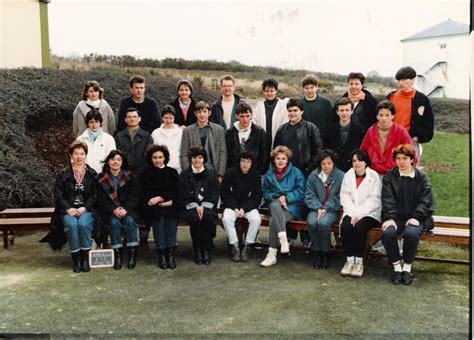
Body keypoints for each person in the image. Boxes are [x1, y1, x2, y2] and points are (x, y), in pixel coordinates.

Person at [381, 144, 434, 285]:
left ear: (412, 159)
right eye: (398, 158)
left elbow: (427, 201)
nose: (401, 162)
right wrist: (390, 218)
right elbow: (387, 199)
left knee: (411, 234)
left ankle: (407, 268)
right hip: (396, 217)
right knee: (388, 233)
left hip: (417, 217)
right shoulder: (389, 176)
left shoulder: (421, 177)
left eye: (405, 158)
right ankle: (397, 267)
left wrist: (416, 217)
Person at [273, 97, 322, 248]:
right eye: (290, 111)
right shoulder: (282, 129)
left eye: (295, 110)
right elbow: (276, 151)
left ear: (301, 111)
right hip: (287, 174)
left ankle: (307, 238)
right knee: (288, 202)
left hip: (307, 173)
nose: (292, 113)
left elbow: (318, 149)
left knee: (305, 205)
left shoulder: (311, 128)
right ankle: (290, 236)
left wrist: (309, 169)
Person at [48, 141, 98, 272]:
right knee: (71, 225)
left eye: (82, 154)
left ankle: (85, 258)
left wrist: (85, 207)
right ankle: (76, 259)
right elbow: (58, 195)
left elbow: (95, 195)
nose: (79, 156)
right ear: (71, 155)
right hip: (67, 211)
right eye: (76, 153)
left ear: (86, 155)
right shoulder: (63, 174)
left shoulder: (92, 174)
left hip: (86, 210)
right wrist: (68, 208)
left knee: (83, 224)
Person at [260, 146, 306, 267]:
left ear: (287, 160)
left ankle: (272, 254)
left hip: (292, 207)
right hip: (275, 206)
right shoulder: (269, 174)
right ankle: (283, 239)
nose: (280, 161)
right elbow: (265, 193)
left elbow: (301, 191)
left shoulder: (296, 172)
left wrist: (287, 198)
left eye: (283, 158)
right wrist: (277, 197)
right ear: (274, 160)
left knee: (273, 221)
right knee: (275, 205)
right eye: (278, 158)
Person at [339, 150, 381, 277]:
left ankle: (359, 262)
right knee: (346, 226)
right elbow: (345, 197)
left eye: (360, 160)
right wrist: (352, 213)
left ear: (366, 162)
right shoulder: (348, 175)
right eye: (354, 161)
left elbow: (374, 200)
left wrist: (358, 213)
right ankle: (349, 260)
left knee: (359, 228)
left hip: (370, 213)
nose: (357, 163)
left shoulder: (373, 176)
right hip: (350, 211)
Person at [96, 150, 139, 270]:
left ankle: (132, 254)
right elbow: (100, 200)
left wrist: (126, 209)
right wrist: (114, 210)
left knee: (130, 221)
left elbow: (135, 196)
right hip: (110, 212)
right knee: (114, 223)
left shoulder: (130, 176)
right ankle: (118, 255)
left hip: (127, 210)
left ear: (122, 162)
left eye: (118, 159)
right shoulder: (100, 178)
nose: (115, 162)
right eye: (113, 159)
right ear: (108, 161)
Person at [140, 145, 180, 269]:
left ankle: (171, 253)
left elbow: (176, 191)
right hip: (153, 207)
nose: (157, 160)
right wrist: (158, 200)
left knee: (171, 217)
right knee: (158, 219)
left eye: (160, 157)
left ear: (165, 158)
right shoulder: (146, 173)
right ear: (151, 159)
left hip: (170, 205)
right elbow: (146, 193)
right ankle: (162, 254)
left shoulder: (172, 172)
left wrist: (162, 198)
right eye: (155, 157)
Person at [179, 146, 219, 265]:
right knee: (195, 219)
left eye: (200, 157)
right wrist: (196, 206)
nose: (197, 160)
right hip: (190, 207)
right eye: (194, 157)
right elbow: (183, 195)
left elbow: (214, 194)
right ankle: (197, 250)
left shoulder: (211, 174)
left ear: (204, 159)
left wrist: (204, 206)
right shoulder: (184, 175)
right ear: (190, 159)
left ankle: (206, 250)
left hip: (207, 206)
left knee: (207, 217)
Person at [305, 149, 344, 269]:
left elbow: (340, 196)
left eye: (329, 163)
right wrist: (318, 208)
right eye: (323, 163)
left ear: (334, 163)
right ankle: (317, 252)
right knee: (311, 222)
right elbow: (309, 195)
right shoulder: (313, 175)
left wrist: (326, 208)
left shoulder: (341, 176)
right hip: (316, 209)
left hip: (333, 210)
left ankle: (326, 253)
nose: (326, 166)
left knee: (323, 223)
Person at [220, 151, 262, 262]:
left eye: (248, 161)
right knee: (226, 218)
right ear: (239, 161)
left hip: (248, 207)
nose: (245, 164)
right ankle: (234, 245)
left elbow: (256, 196)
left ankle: (248, 245)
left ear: (252, 163)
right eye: (243, 161)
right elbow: (225, 193)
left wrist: (244, 208)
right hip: (232, 206)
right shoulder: (230, 173)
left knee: (256, 219)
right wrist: (235, 207)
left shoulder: (255, 175)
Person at [387, 66, 434, 158]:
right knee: (390, 169)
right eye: (399, 80)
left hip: (410, 141)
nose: (401, 83)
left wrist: (419, 137)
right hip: (391, 140)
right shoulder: (390, 97)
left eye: (404, 80)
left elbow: (428, 121)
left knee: (410, 170)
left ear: (413, 80)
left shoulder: (422, 100)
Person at [360, 100, 416, 176]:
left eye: (387, 115)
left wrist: (406, 174)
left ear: (392, 116)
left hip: (394, 173)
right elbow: (362, 152)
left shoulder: (401, 131)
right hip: (374, 172)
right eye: (381, 115)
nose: (384, 118)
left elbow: (412, 154)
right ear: (377, 116)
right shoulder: (371, 131)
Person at [180, 101, 227, 182]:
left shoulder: (218, 130)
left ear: (209, 113)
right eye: (199, 112)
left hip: (213, 171)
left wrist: (220, 174)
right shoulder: (187, 131)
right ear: (195, 113)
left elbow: (222, 153)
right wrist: (188, 173)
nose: (202, 114)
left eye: (204, 111)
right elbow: (184, 153)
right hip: (193, 172)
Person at [252, 79, 289, 165]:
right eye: (267, 91)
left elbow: (285, 124)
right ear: (264, 92)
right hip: (263, 142)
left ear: (276, 91)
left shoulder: (283, 105)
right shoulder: (259, 106)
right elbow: (254, 124)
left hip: (278, 142)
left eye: (272, 91)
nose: (269, 93)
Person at [324, 97, 366, 172]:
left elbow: (361, 151)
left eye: (347, 110)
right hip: (334, 168)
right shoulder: (329, 129)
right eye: (341, 110)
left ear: (352, 111)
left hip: (353, 168)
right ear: (337, 112)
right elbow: (326, 149)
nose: (344, 113)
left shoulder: (360, 129)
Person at [225, 102, 268, 174]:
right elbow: (228, 154)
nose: (245, 119)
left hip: (254, 172)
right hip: (235, 172)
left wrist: (259, 172)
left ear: (251, 115)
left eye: (247, 116)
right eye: (242, 116)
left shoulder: (259, 132)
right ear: (236, 116)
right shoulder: (230, 132)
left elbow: (264, 154)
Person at [114, 107, 153, 172]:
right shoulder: (118, 137)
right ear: (125, 119)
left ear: (139, 119)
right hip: (123, 173)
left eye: (134, 116)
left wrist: (139, 172)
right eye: (129, 117)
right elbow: (117, 156)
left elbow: (148, 157)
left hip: (142, 173)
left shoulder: (147, 137)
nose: (132, 119)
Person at [77, 110, 116, 174]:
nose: (94, 124)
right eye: (91, 122)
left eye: (96, 121)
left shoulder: (109, 139)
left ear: (100, 123)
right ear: (87, 123)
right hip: (84, 175)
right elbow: (75, 158)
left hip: (103, 175)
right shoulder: (80, 139)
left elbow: (113, 158)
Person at [151, 105, 184, 173]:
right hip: (160, 168)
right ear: (162, 118)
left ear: (174, 118)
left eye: (171, 118)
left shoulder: (180, 133)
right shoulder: (155, 133)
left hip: (177, 168)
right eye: (165, 118)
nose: (168, 121)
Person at [300, 74, 333, 138]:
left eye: (312, 87)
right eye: (306, 88)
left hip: (322, 139)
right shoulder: (299, 103)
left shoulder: (326, 103)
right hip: (305, 139)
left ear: (317, 87)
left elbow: (331, 123)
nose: (309, 91)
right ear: (303, 89)